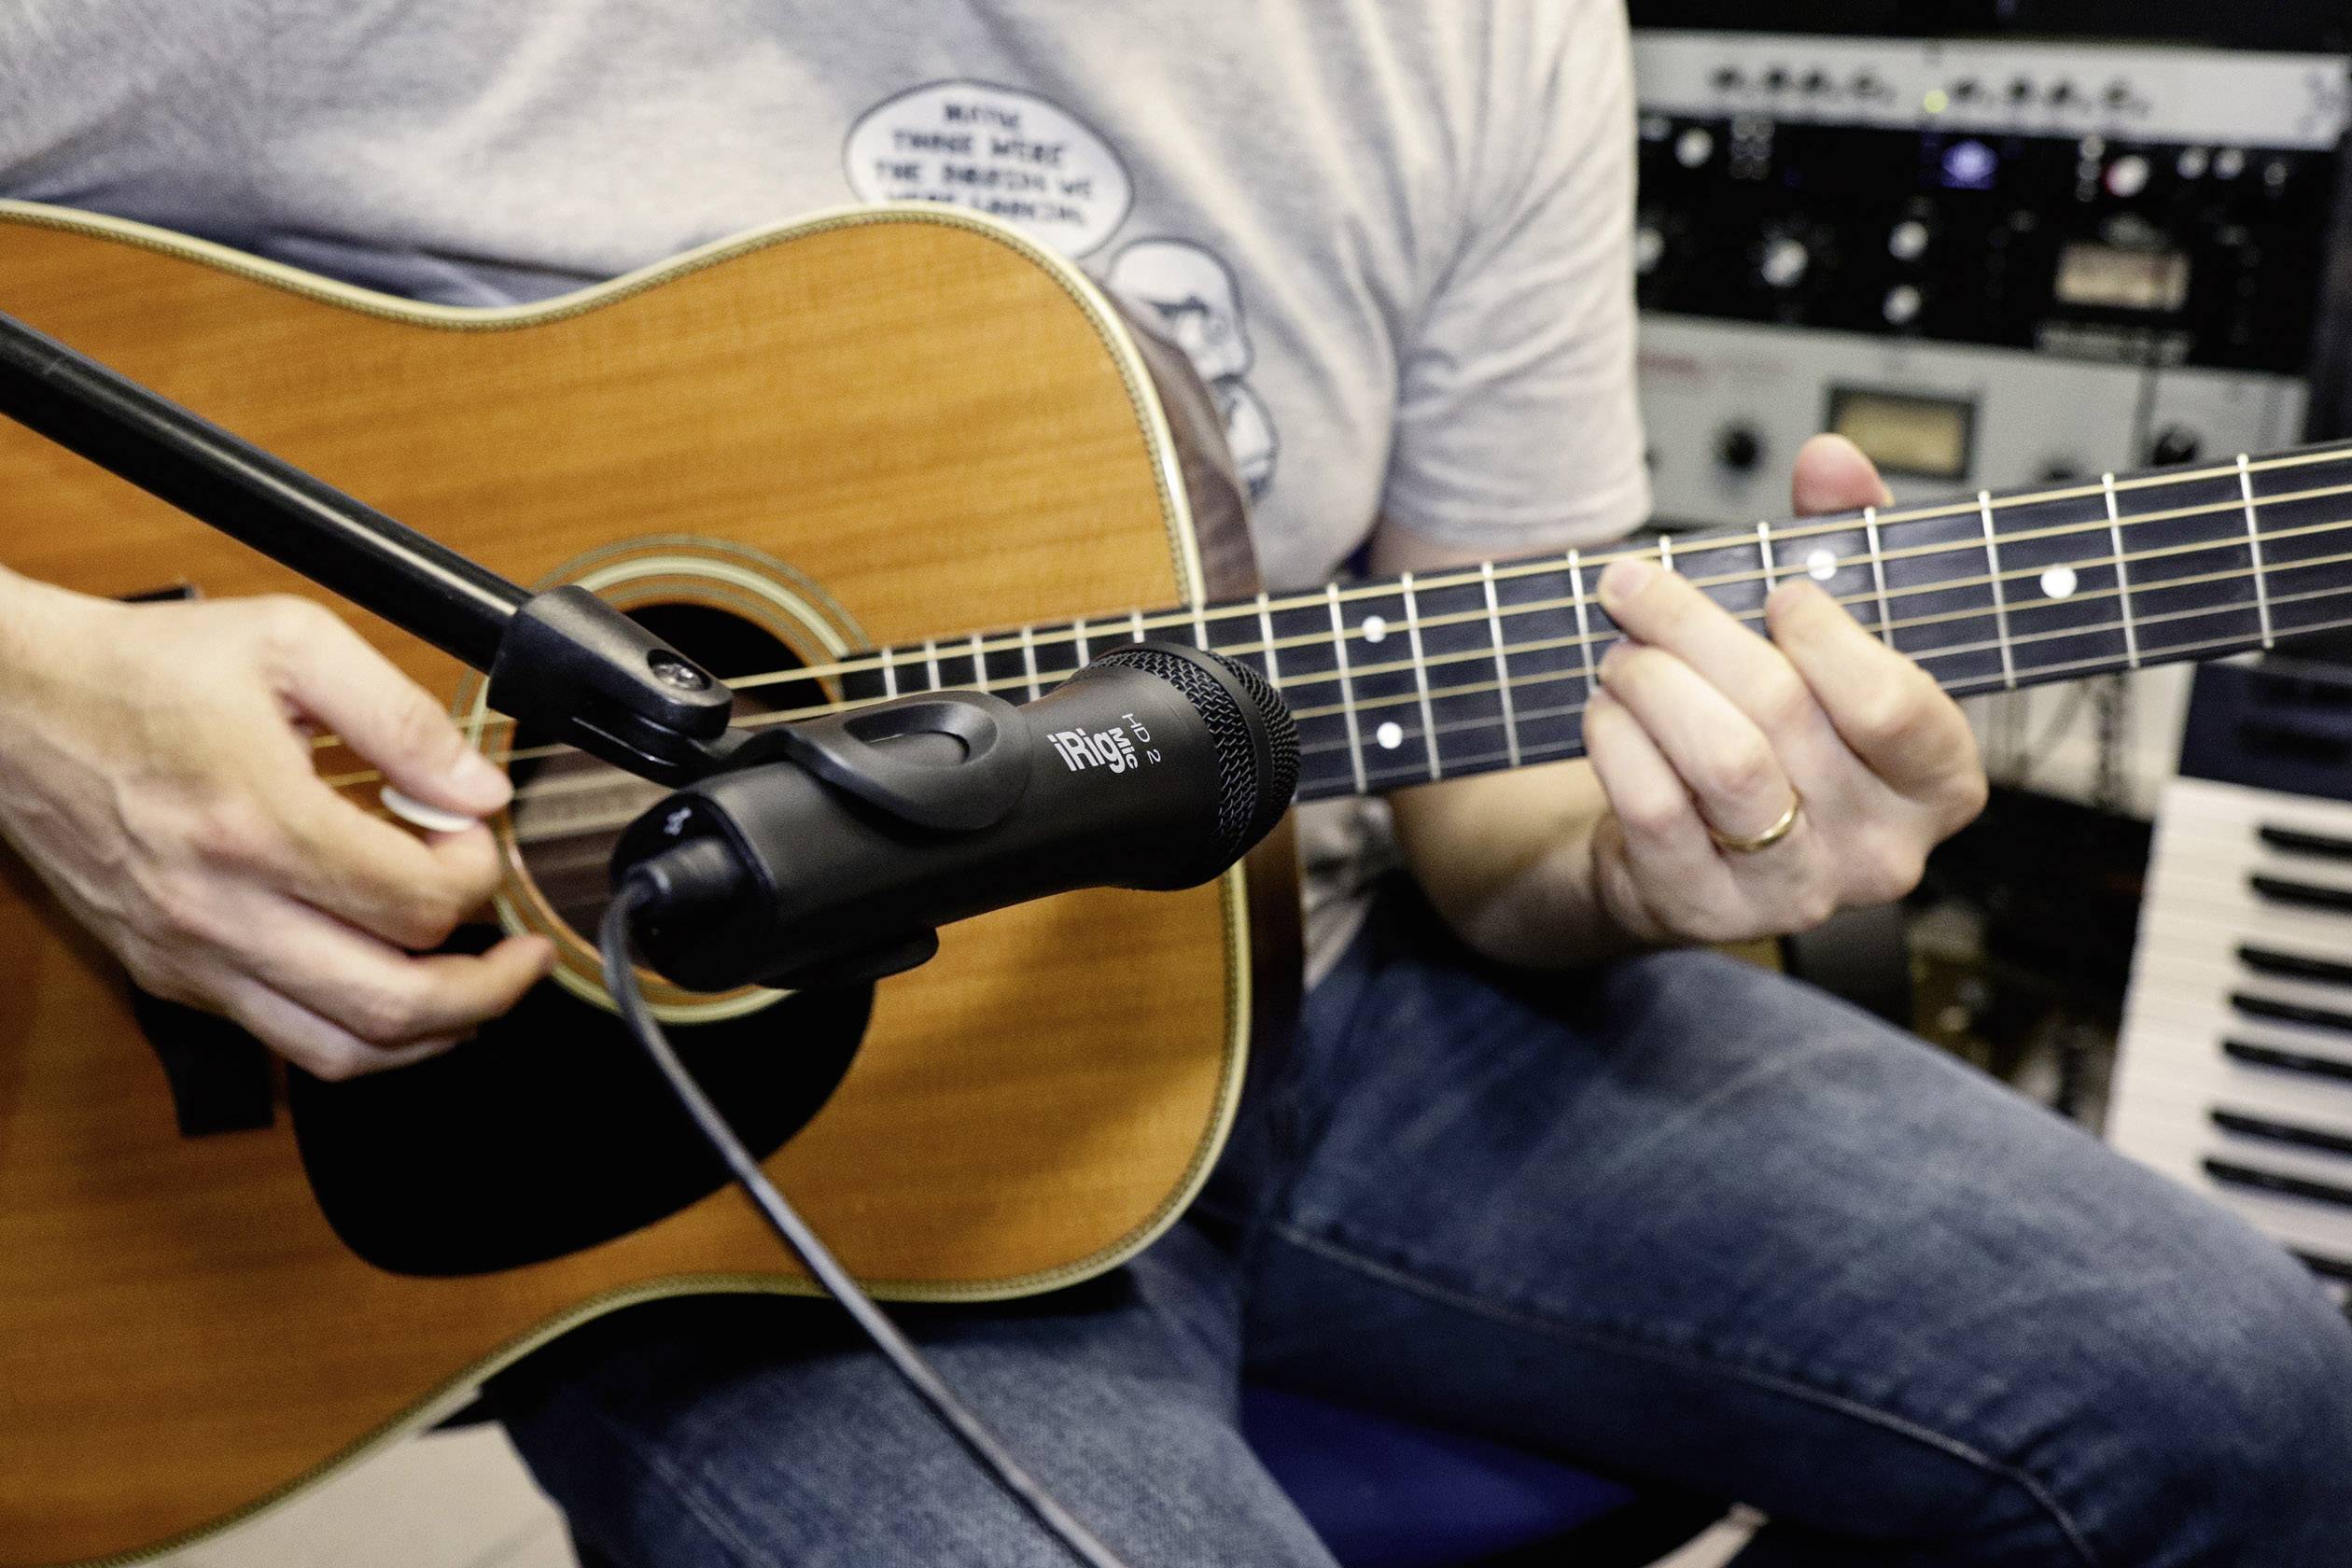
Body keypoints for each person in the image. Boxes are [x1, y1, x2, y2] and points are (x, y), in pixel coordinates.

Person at [3, 3, 2348, 1563]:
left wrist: (1677, 851)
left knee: (2246, 1403)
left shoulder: (1481, 28)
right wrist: (43, 704)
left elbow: (1495, 830)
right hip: (694, 1139)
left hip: (1326, 988)